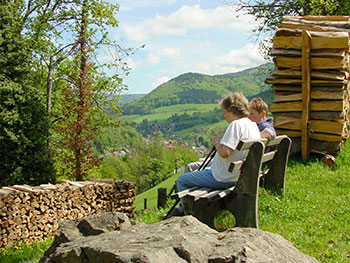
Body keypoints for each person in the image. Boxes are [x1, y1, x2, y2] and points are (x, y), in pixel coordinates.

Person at [172, 92, 261, 216]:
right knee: (201, 171)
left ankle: (187, 213)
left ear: (232, 110)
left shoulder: (236, 125)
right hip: (240, 175)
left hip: (224, 177)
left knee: (182, 180)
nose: (224, 116)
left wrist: (218, 144)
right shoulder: (252, 125)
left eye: (225, 112)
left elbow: (225, 152)